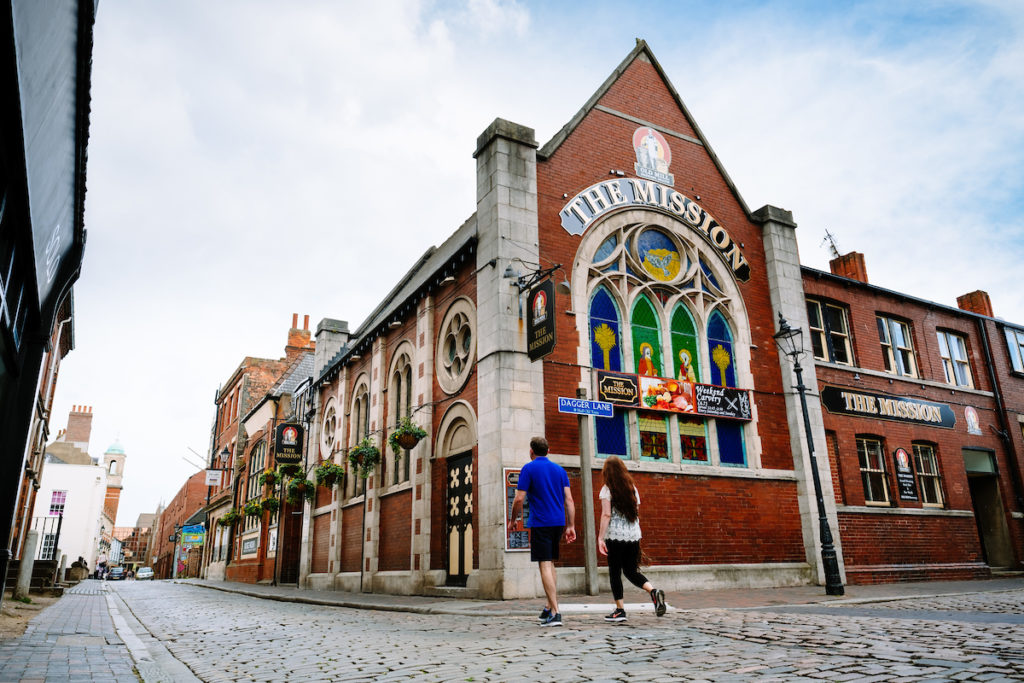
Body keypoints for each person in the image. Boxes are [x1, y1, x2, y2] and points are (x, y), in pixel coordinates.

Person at [507, 436, 576, 627]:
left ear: (531, 451)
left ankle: (556, 612)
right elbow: (569, 500)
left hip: (541, 522)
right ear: (548, 450)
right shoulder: (560, 470)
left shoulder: (528, 468)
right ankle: (548, 607)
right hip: (558, 522)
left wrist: (513, 521)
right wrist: (571, 526)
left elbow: (519, 499)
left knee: (544, 565)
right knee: (550, 563)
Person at [598, 456, 666, 622]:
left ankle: (620, 610)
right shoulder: (632, 488)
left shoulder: (607, 489)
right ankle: (653, 591)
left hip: (615, 536)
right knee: (630, 571)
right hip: (633, 535)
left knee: (615, 572)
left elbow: (606, 514)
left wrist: (600, 537)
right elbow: (635, 512)